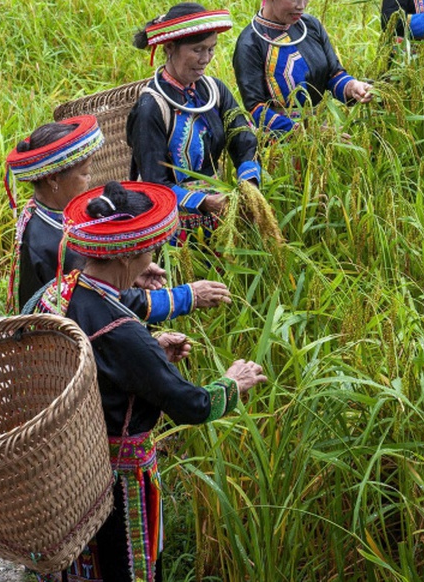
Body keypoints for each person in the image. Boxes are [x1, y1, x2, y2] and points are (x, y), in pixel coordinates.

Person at [38, 181, 268, 582]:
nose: (153, 255)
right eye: (149, 247)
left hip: (67, 470)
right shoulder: (124, 333)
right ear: (129, 254)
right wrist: (234, 382)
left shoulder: (59, 292)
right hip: (114, 482)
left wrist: (148, 356)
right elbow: (191, 404)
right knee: (125, 569)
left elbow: (88, 369)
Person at [4, 115, 230, 318]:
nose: (90, 180)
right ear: (53, 179)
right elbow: (99, 300)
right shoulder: (56, 243)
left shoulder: (41, 213)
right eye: (84, 173)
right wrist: (186, 297)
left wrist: (127, 270)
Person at [126, 3, 260, 240]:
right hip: (170, 221)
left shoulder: (214, 91)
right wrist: (202, 202)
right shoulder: (151, 108)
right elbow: (154, 183)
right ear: (170, 48)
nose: (205, 59)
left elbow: (242, 137)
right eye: (197, 50)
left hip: (218, 206)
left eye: (211, 49)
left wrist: (248, 182)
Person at [232, 0, 373, 137]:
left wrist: (352, 87)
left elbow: (333, 74)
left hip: (323, 133)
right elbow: (256, 109)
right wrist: (308, 134)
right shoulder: (250, 43)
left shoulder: (311, 26)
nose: (301, 5)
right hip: (278, 143)